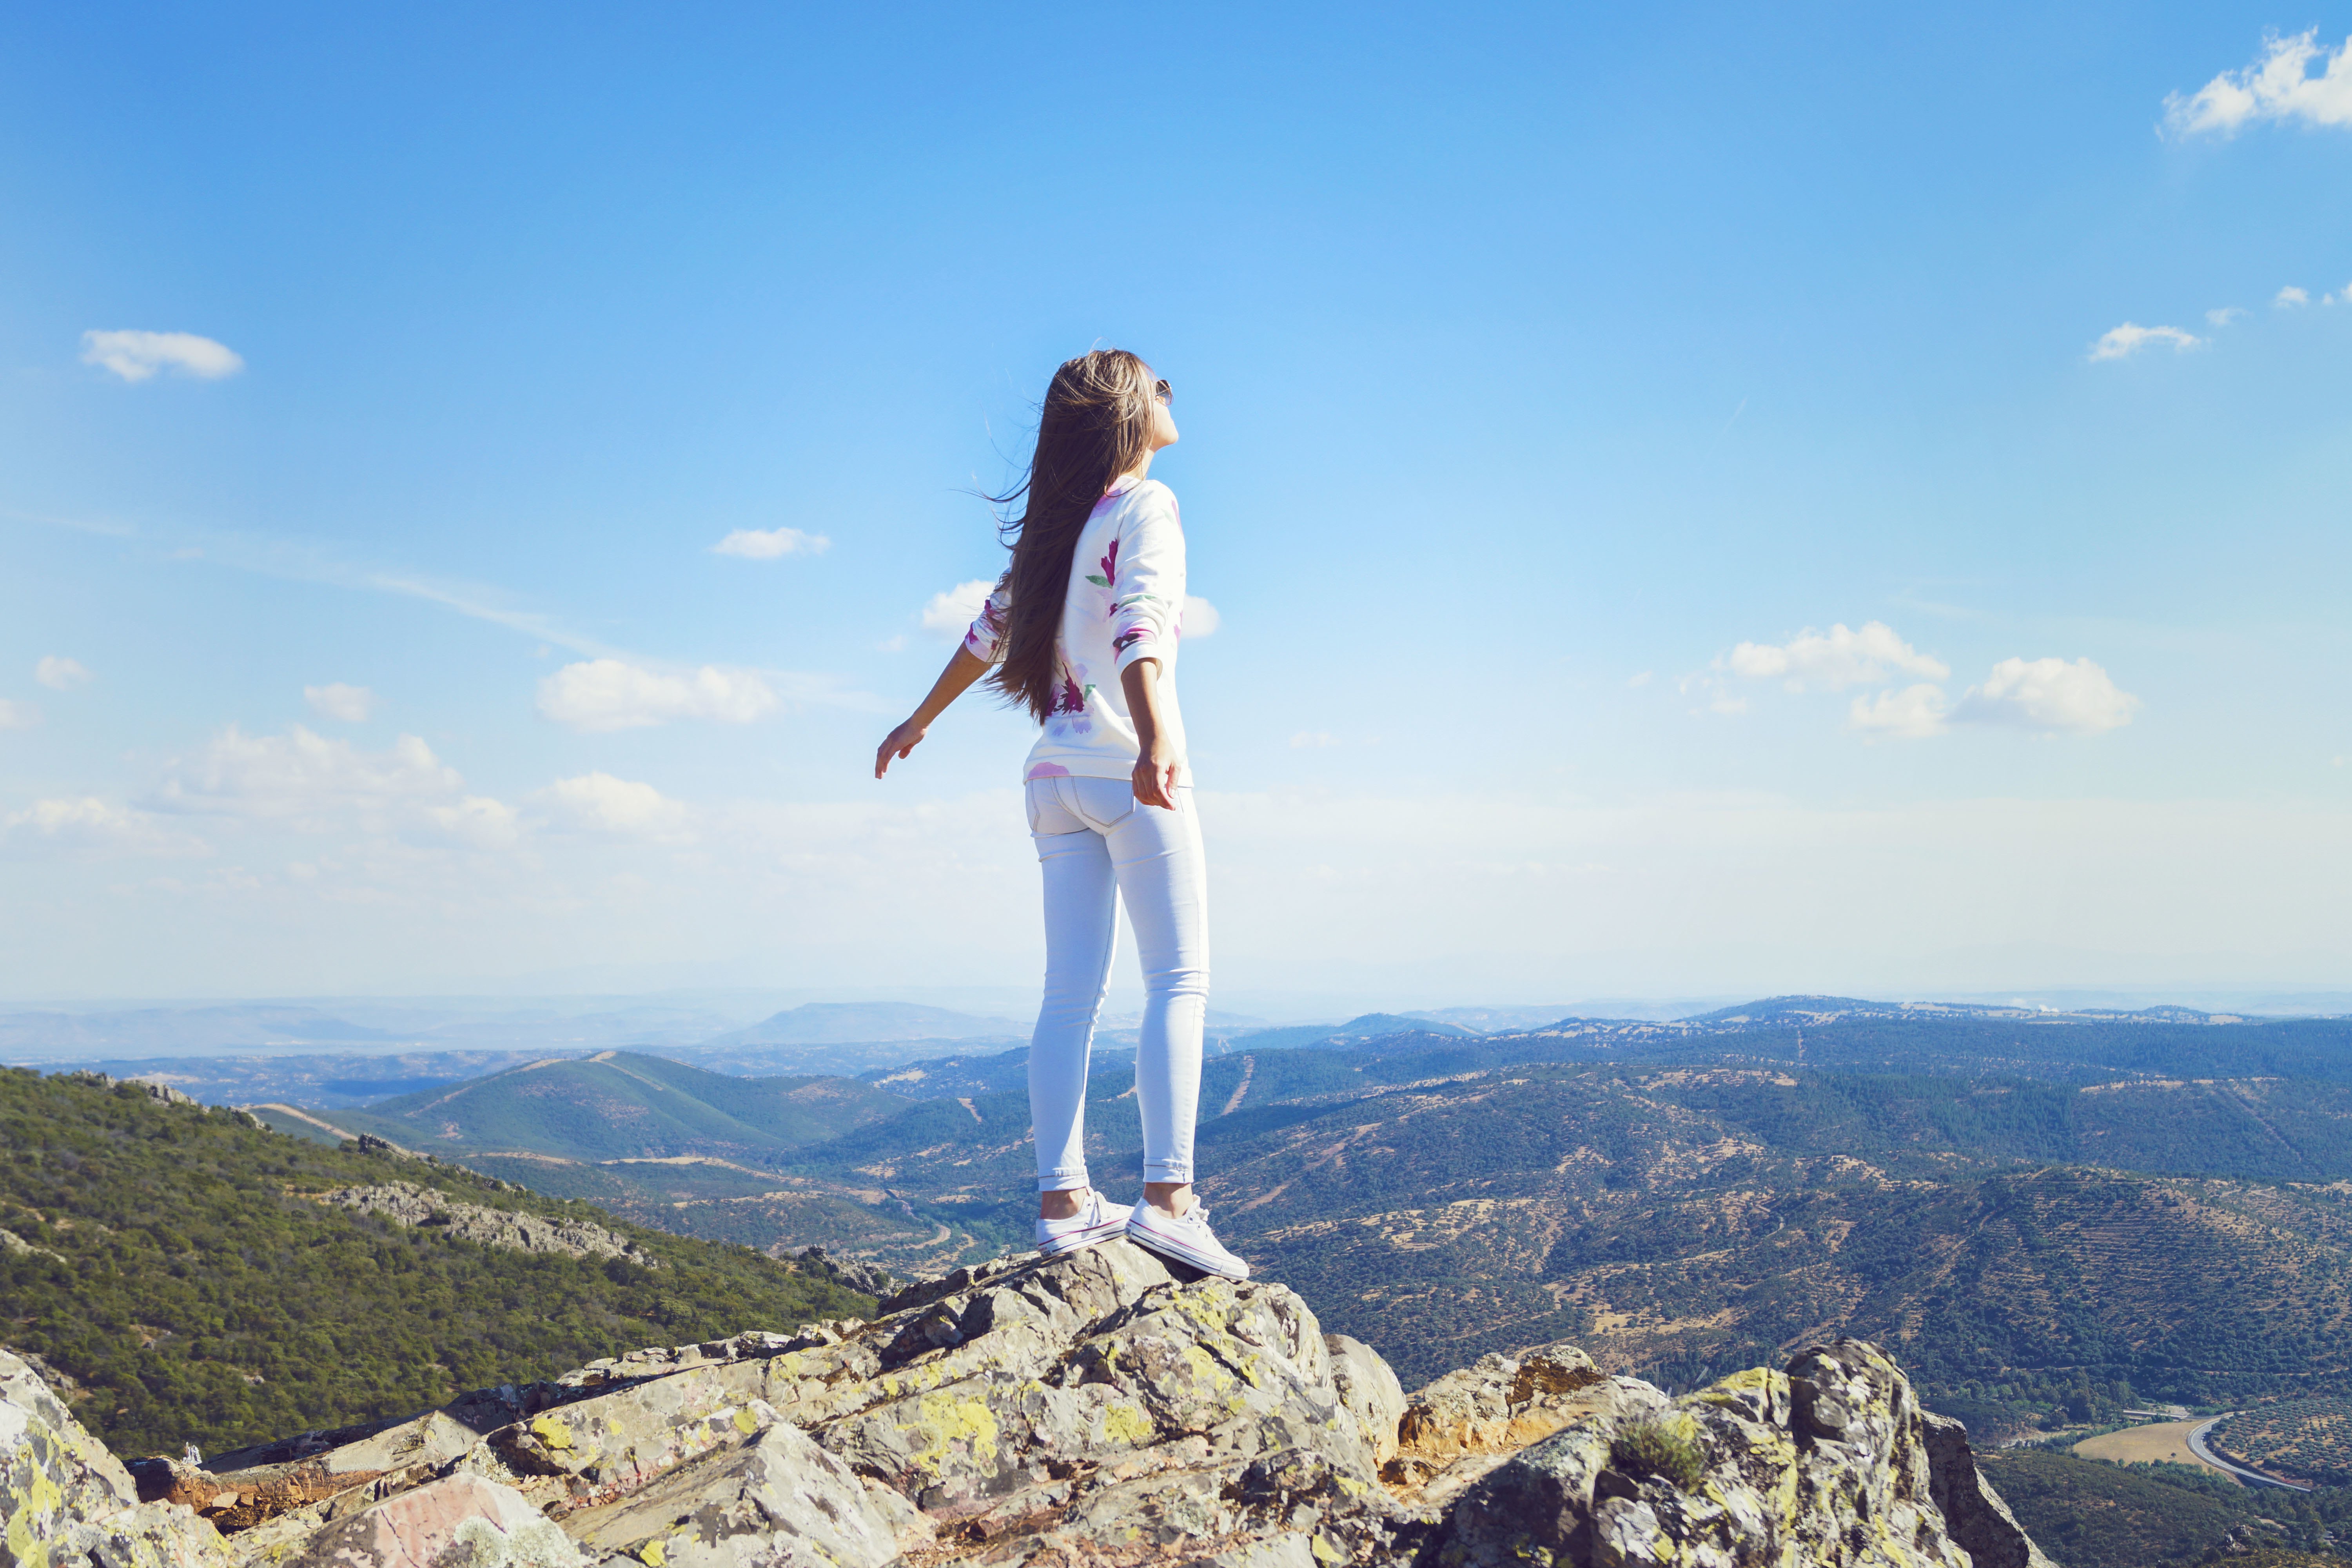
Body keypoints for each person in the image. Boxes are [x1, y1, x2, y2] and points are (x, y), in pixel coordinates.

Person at [874, 348, 1245, 1281]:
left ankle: (1064, 1200)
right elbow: (1143, 626)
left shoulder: (1054, 536)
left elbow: (985, 634)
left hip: (1050, 781)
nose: (1171, 394)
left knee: (1068, 996)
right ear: (1127, 413)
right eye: (1158, 384)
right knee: (1179, 980)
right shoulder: (1146, 509)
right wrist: (1159, 736)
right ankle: (1168, 1200)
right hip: (1129, 769)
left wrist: (918, 720)